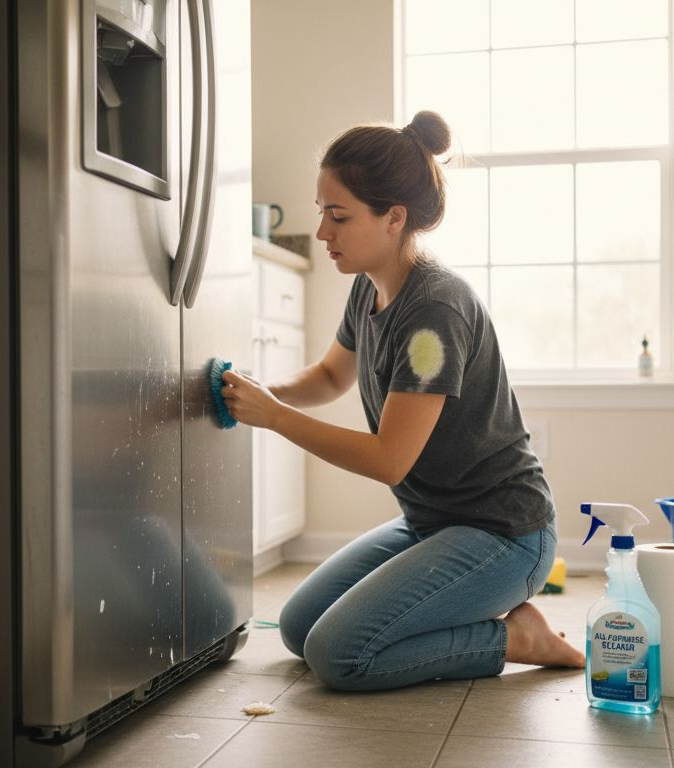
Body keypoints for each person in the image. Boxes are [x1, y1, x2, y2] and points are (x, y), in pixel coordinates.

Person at [220, 110, 585, 692]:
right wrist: (262, 393)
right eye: (322, 213)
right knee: (297, 629)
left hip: (503, 534)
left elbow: (391, 459)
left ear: (394, 218)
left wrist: (276, 419)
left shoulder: (431, 317)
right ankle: (478, 616)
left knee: (340, 656)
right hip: (431, 523)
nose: (322, 234)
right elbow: (329, 377)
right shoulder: (369, 284)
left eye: (338, 216)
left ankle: (514, 639)